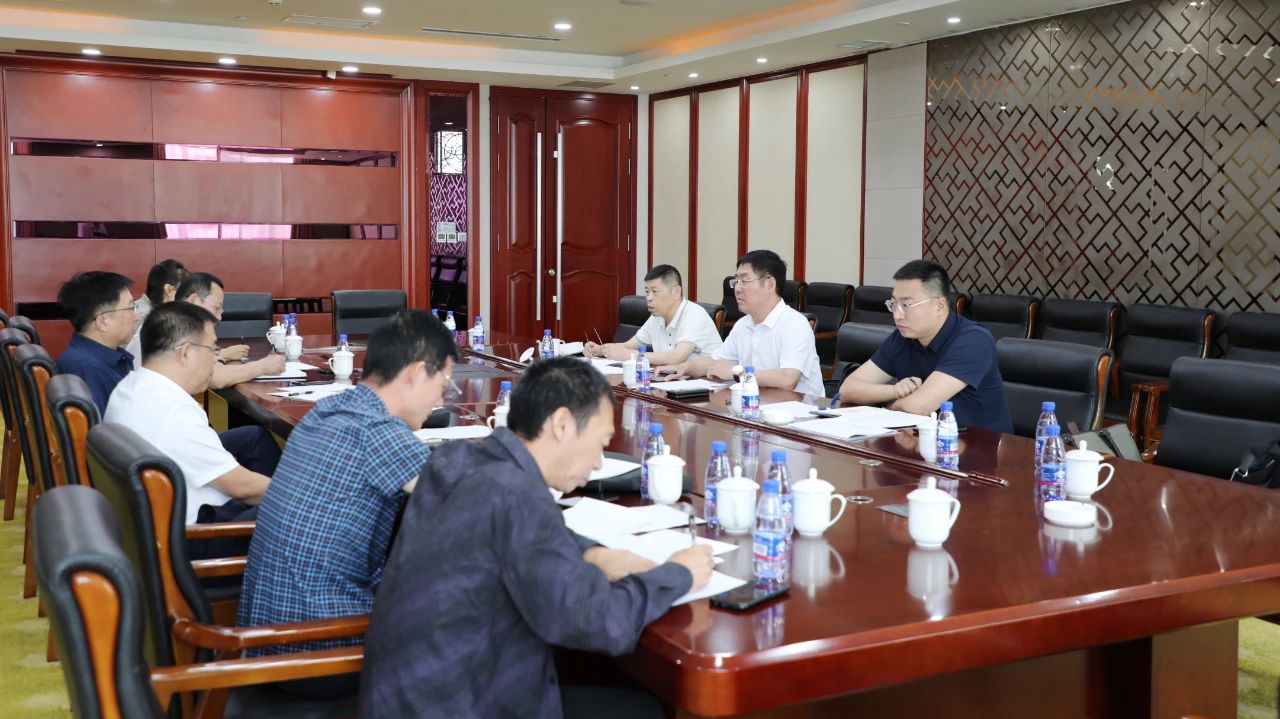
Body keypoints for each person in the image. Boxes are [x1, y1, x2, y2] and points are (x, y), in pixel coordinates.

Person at [359, 357, 714, 718]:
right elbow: (593, 620)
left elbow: (515, 536)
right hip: (464, 702)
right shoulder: (519, 495)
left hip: (405, 694)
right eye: (600, 443)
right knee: (646, 710)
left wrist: (592, 553)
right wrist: (677, 574)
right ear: (561, 424)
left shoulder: (460, 459)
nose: (598, 463)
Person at [236, 310, 458, 698]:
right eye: (442, 385)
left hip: (269, 636)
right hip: (318, 649)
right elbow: (466, 505)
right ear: (417, 373)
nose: (442, 399)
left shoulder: (330, 409)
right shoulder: (380, 432)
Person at [104, 303, 278, 558]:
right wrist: (306, 494)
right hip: (195, 539)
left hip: (161, 521)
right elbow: (242, 486)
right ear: (186, 353)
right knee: (297, 508)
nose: (215, 360)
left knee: (254, 439)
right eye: (212, 349)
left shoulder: (132, 385)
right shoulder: (172, 410)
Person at [837, 260, 1012, 432]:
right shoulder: (903, 337)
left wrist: (887, 407)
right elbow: (847, 389)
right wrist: (894, 390)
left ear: (939, 306)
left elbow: (919, 406)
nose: (897, 315)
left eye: (906, 305)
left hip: (978, 446)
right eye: (894, 304)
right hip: (921, 440)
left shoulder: (973, 340)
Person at [668, 250, 824, 397]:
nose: (737, 288)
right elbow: (715, 362)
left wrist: (736, 373)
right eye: (736, 281)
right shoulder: (743, 324)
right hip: (756, 404)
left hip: (800, 411)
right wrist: (683, 368)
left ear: (770, 285)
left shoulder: (795, 324)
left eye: (744, 281)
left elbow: (787, 379)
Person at [584, 264, 722, 365]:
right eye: (646, 292)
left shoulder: (694, 315)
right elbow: (628, 345)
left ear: (676, 292)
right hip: (672, 382)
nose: (649, 298)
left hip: (708, 387)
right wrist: (600, 350)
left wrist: (630, 355)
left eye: (655, 292)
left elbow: (676, 358)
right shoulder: (657, 317)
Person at [175, 272, 287, 386]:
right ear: (195, 300)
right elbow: (215, 376)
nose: (219, 317)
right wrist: (262, 366)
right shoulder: (175, 329)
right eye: (217, 307)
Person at [55, 271, 138, 415]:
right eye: (130, 308)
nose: (136, 317)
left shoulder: (98, 359)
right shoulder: (88, 369)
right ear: (103, 322)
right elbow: (101, 428)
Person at [126, 259, 188, 368]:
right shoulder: (145, 317)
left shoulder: (147, 311)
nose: (188, 300)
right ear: (168, 290)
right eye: (185, 293)